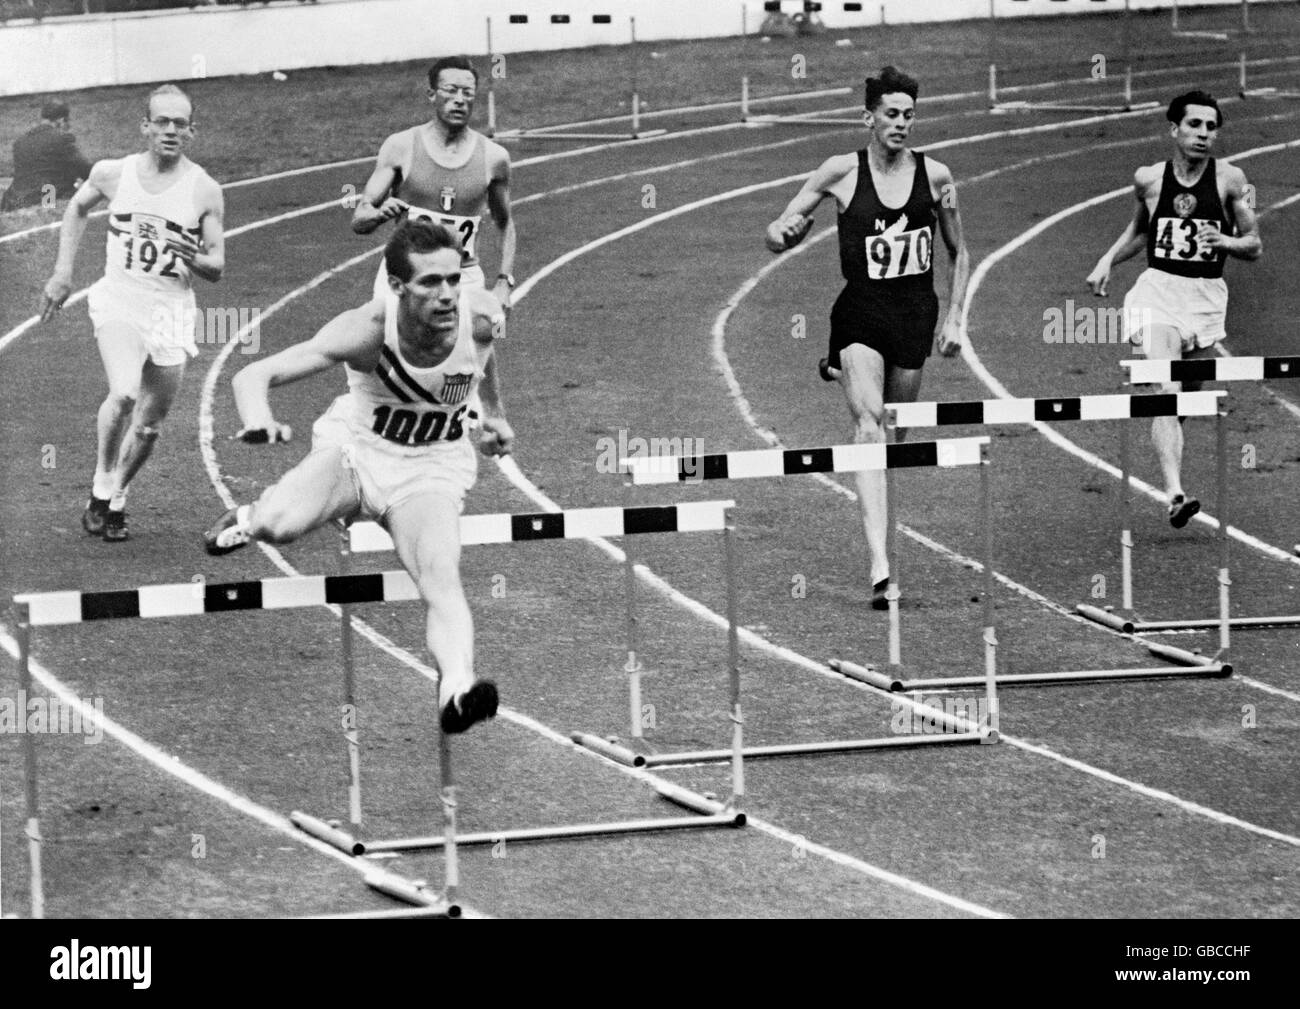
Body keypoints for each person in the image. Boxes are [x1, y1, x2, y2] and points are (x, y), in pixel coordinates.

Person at [203, 219, 512, 734]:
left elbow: (482, 359)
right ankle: (251, 516)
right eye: (430, 283)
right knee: (280, 527)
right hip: (359, 451)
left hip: (430, 468)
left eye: (454, 279)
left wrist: (495, 414)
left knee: (440, 576)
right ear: (396, 286)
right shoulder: (366, 330)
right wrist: (257, 418)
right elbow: (253, 373)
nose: (447, 295)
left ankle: (457, 689)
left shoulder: (481, 314)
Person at [763, 65, 969, 610]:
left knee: (893, 437)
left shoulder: (938, 177)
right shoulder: (839, 171)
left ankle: (838, 372)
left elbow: (960, 253)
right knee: (868, 421)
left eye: (909, 115)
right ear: (869, 117)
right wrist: (784, 235)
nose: (902, 124)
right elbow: (776, 230)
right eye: (892, 114)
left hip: (914, 315)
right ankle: (880, 566)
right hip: (859, 312)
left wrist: (955, 317)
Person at [41, 84, 225, 542]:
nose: (169, 130)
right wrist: (63, 271)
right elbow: (76, 209)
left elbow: (217, 266)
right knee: (123, 394)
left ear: (192, 132)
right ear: (145, 126)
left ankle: (118, 494)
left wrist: (192, 256)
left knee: (149, 426)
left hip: (170, 311)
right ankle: (102, 480)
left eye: (179, 123)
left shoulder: (204, 190)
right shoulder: (111, 174)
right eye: (160, 121)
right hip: (120, 299)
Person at [1086, 90, 1261, 528]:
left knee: (1182, 400)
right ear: (1175, 129)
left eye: (1211, 126)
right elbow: (1141, 231)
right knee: (1164, 387)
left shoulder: (1230, 180)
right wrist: (1107, 260)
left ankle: (1169, 463)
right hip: (1157, 295)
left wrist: (1226, 242)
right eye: (1195, 125)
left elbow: (1254, 244)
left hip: (1205, 300)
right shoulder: (1148, 179)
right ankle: (1175, 493)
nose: (1204, 134)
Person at [352, 56, 517, 310]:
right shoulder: (401, 147)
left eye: (467, 92)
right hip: (404, 277)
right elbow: (359, 220)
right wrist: (377, 215)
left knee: (475, 347)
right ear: (432, 94)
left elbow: (505, 224)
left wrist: (505, 282)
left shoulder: (495, 158)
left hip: (463, 278)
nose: (460, 100)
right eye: (451, 91)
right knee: (384, 346)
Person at [1, 99, 92, 211]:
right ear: (61, 120)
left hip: (16, 201)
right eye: (67, 123)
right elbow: (85, 170)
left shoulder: (19, 142)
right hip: (46, 199)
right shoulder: (62, 138)